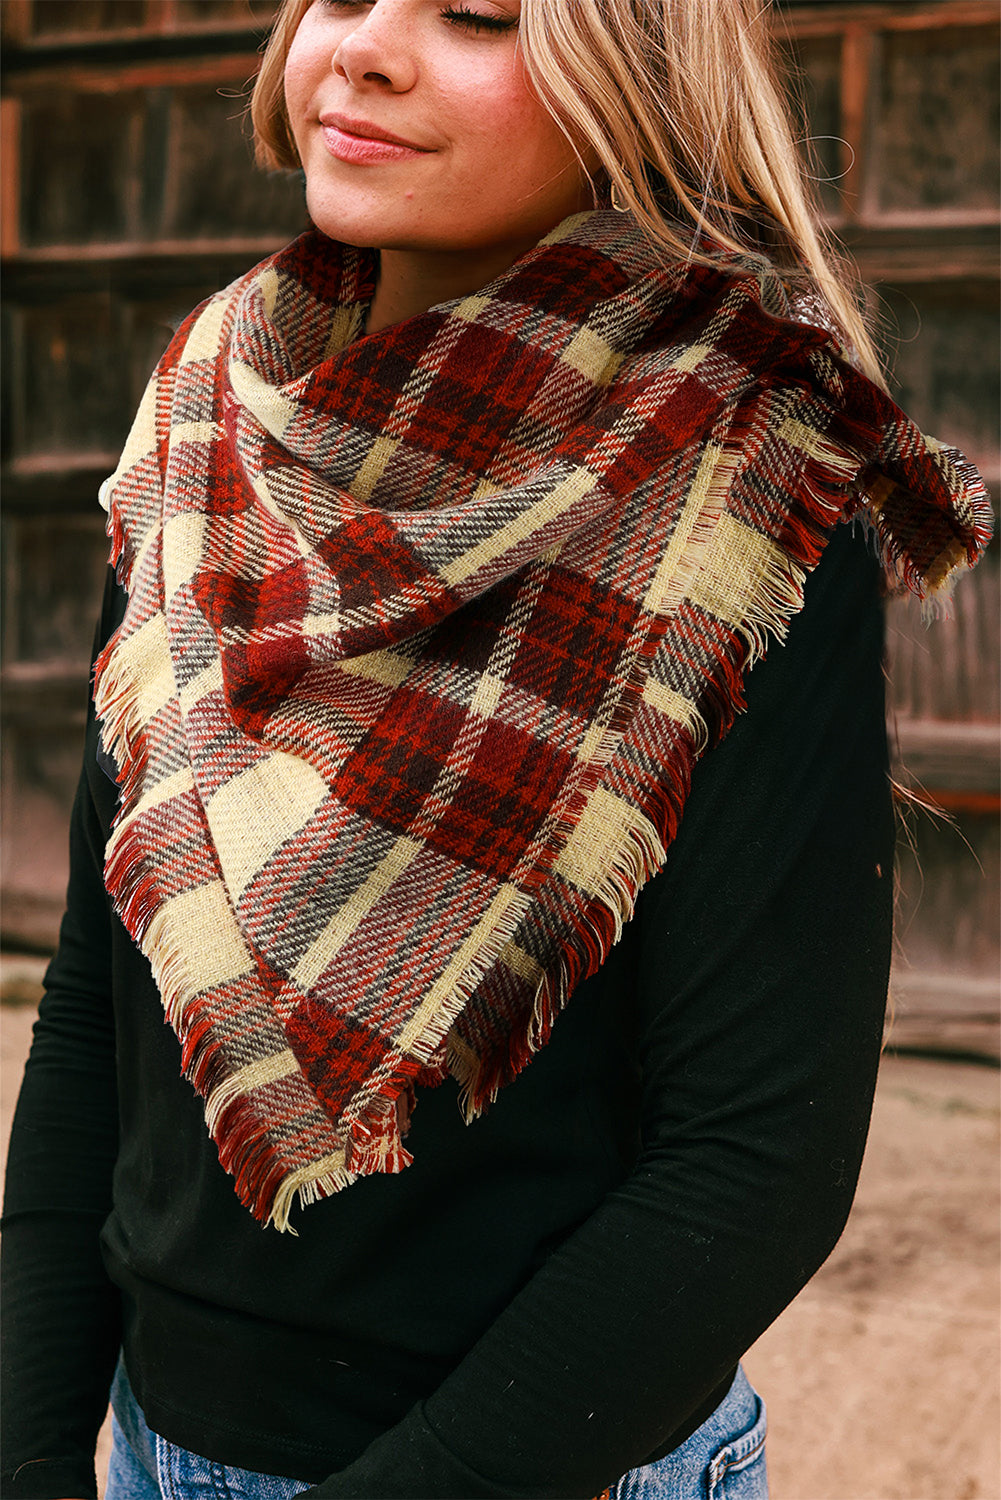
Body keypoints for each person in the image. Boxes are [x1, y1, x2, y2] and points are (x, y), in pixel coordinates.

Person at [1, 1, 990, 1497]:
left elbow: (751, 1166)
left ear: (638, 82)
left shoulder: (741, 489)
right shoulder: (204, 425)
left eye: (475, 12)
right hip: (161, 1442)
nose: (365, 48)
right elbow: (97, 997)